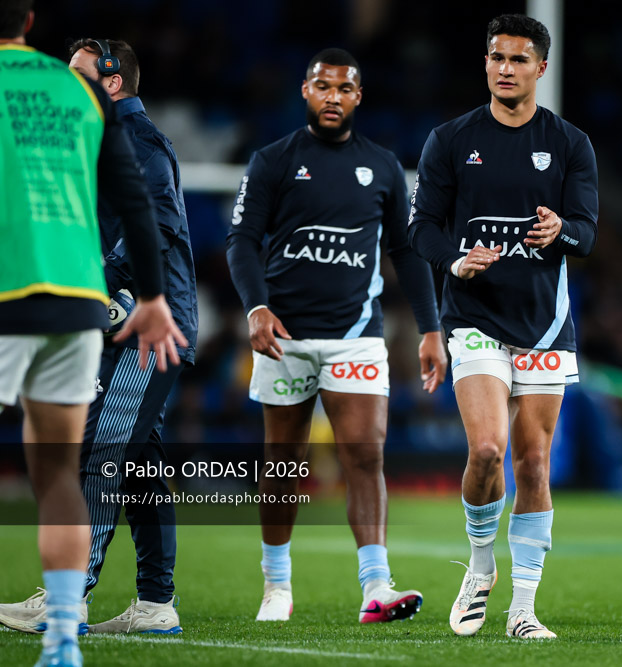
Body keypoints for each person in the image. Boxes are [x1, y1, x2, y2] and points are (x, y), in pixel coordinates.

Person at [226, 47, 447, 624]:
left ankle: (376, 586)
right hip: (286, 337)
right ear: (305, 91)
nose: (333, 97)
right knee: (284, 462)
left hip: (357, 336)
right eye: (322, 87)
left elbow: (406, 249)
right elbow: (243, 241)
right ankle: (277, 585)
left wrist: (430, 328)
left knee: (364, 455)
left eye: (344, 89)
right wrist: (255, 308)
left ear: (358, 97)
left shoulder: (382, 166)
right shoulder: (273, 161)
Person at [0, 3, 187, 665]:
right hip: (114, 314)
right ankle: (155, 601)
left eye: (83, 76)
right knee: (138, 460)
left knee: (104, 449)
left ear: (112, 81)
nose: (72, 87)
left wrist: (125, 291)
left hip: (140, 320)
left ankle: (68, 597)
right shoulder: (100, 123)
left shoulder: (137, 139)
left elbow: (153, 230)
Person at [408, 14, 598, 639]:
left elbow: (586, 232)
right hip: (474, 318)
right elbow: (422, 228)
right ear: (485, 63)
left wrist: (559, 232)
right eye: (496, 58)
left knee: (535, 463)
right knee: (488, 450)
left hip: (544, 325)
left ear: (541, 68)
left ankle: (523, 610)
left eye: (519, 60)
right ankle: (481, 565)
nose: (505, 69)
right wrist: (456, 261)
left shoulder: (570, 143)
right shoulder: (450, 139)